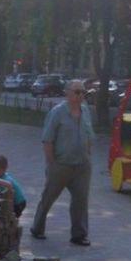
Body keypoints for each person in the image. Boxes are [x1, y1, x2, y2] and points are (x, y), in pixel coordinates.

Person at [31, 79, 94, 245]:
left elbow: (89, 134)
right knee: (48, 198)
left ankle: (79, 235)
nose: (81, 95)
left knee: (81, 200)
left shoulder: (85, 111)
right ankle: (37, 228)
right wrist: (52, 164)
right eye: (77, 92)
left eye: (83, 92)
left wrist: (88, 155)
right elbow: (47, 140)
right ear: (67, 93)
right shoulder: (57, 112)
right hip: (61, 164)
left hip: (82, 165)